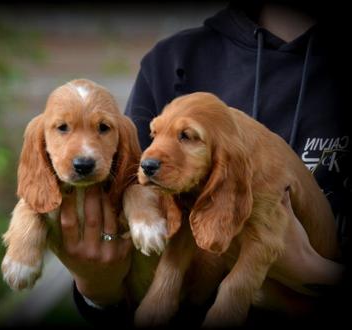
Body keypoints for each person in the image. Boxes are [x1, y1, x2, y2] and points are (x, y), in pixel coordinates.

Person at [52, 0, 351, 327]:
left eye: (187, 137)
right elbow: (134, 233)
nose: (152, 153)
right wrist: (97, 289)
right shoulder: (171, 61)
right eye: (154, 133)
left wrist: (313, 273)